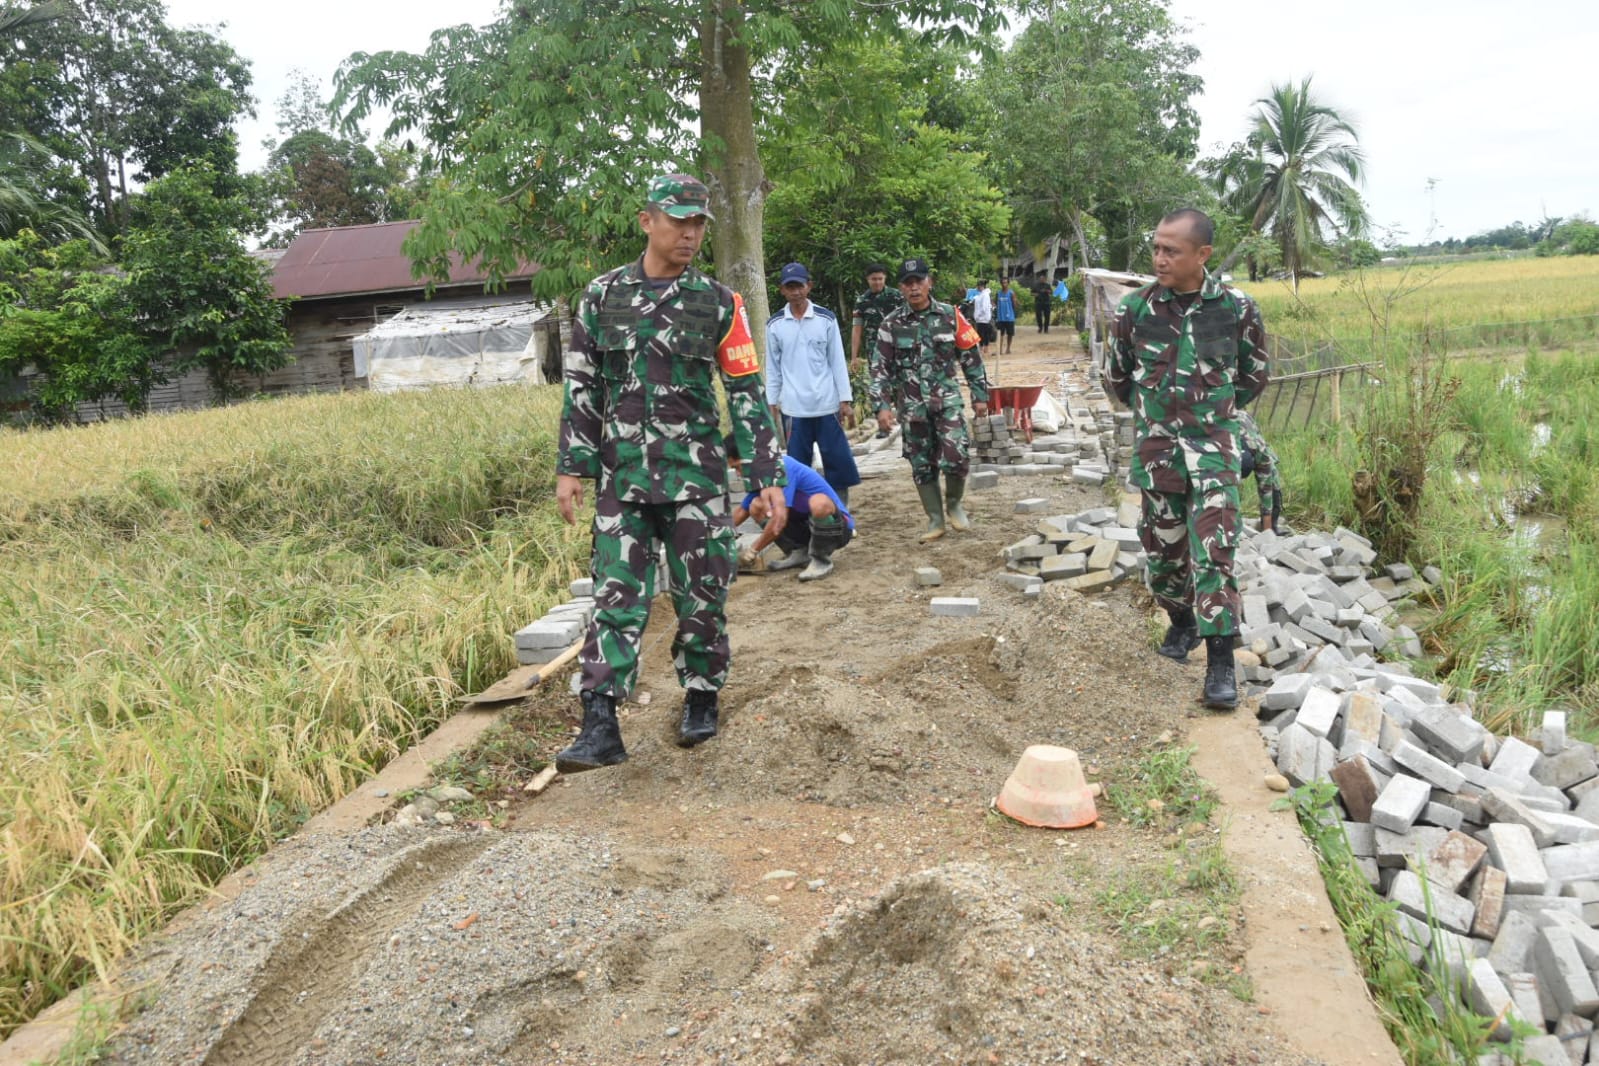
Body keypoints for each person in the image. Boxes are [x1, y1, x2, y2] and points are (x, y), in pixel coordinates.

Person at [555, 172, 787, 771]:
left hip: (696, 479)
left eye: (698, 223)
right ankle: (600, 724)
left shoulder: (719, 303)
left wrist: (765, 476)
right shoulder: (601, 297)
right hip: (622, 479)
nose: (689, 232)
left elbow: (744, 389)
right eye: (678, 219)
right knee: (616, 600)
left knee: (702, 594)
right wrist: (571, 467)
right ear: (646, 221)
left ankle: (702, 697)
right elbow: (581, 387)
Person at [1103, 207, 1268, 711]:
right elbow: (1116, 378)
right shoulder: (1134, 310)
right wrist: (1159, 417)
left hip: (1214, 454)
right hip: (1157, 456)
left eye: (1171, 250)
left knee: (1215, 553)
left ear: (1203, 255)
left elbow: (1252, 376)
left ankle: (1221, 662)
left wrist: (1209, 418)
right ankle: (1182, 622)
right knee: (1162, 558)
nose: (1159, 258)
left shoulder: (1237, 308)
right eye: (1155, 248)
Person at [872, 257, 990, 543]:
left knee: (957, 454)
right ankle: (935, 519)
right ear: (900, 287)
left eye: (919, 281)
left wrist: (979, 396)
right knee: (921, 464)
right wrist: (882, 406)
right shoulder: (891, 324)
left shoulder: (951, 316)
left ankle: (954, 505)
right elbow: (880, 368)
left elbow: (971, 359)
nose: (914, 288)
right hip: (912, 408)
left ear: (929, 283)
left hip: (947, 400)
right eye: (908, 283)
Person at [765, 261, 860, 512]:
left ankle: (841, 511)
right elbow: (773, 368)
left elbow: (837, 360)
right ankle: (806, 515)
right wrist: (771, 403)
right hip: (794, 409)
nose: (795, 292)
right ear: (782, 290)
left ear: (809, 286)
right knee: (797, 467)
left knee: (837, 463)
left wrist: (845, 400)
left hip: (827, 404)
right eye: (790, 287)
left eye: (800, 286)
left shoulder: (825, 319)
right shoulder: (775, 325)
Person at [730, 442, 854, 582]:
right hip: (807, 526)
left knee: (819, 503)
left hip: (838, 529)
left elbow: (779, 520)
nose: (738, 474)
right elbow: (741, 512)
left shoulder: (783, 467)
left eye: (738, 467)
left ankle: (821, 560)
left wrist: (752, 551)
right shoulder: (761, 478)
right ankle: (799, 552)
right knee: (756, 505)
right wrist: (710, 537)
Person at [850, 263, 906, 439]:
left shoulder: (896, 297)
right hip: (875, 351)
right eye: (873, 279)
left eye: (880, 279)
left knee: (902, 384)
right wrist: (854, 356)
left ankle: (907, 422)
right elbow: (857, 329)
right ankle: (883, 425)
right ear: (867, 280)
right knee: (878, 387)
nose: (877, 282)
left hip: (899, 348)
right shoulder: (862, 301)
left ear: (885, 279)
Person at [1238, 408, 1284, 533]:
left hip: (1251, 433)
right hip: (1223, 425)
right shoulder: (1222, 449)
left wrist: (1266, 537)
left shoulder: (1261, 455)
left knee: (1273, 484)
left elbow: (1266, 491)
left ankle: (1271, 527)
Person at [994, 277, 1018, 356]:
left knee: (1010, 334)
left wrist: (1011, 310)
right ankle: (1000, 350)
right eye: (1003, 282)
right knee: (1000, 334)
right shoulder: (998, 293)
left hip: (1009, 317)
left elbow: (1014, 305)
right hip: (1001, 317)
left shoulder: (1011, 293)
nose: (1004, 284)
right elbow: (995, 303)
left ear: (1008, 283)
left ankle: (1008, 348)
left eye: (1005, 282)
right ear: (1001, 283)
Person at [971, 279, 994, 357]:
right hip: (980, 318)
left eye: (979, 286)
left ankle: (984, 348)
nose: (978, 287)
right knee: (981, 334)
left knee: (983, 334)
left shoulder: (985, 295)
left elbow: (984, 307)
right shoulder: (980, 295)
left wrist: (979, 315)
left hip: (983, 318)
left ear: (982, 286)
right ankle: (982, 348)